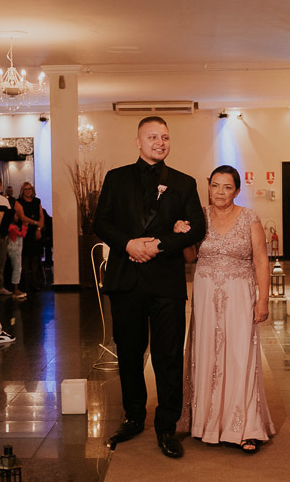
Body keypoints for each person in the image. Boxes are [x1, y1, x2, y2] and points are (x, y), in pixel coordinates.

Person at [93, 116, 206, 459]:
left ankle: (167, 426)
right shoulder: (116, 178)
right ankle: (133, 417)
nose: (160, 142)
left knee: (168, 355)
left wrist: (158, 245)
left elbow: (197, 228)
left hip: (166, 281)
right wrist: (128, 244)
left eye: (165, 137)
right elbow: (101, 222)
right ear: (138, 142)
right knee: (129, 353)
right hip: (125, 279)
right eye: (153, 137)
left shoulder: (184, 183)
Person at [175, 166, 274, 453]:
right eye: (215, 186)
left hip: (240, 294)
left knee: (239, 354)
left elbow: (261, 261)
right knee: (206, 352)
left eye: (227, 187)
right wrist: (180, 234)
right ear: (208, 187)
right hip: (206, 293)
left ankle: (245, 427)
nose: (220, 192)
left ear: (237, 190)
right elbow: (191, 257)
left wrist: (263, 300)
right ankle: (205, 423)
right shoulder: (199, 216)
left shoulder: (249, 218)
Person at [14, 182, 46, 293]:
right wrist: (36, 223)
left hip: (35, 231)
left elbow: (41, 216)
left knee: (36, 258)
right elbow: (22, 217)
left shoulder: (37, 201)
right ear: (22, 191)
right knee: (25, 258)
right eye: (26, 189)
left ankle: (35, 283)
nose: (28, 191)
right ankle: (26, 284)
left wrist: (39, 228)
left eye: (29, 189)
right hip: (25, 231)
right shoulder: (19, 202)